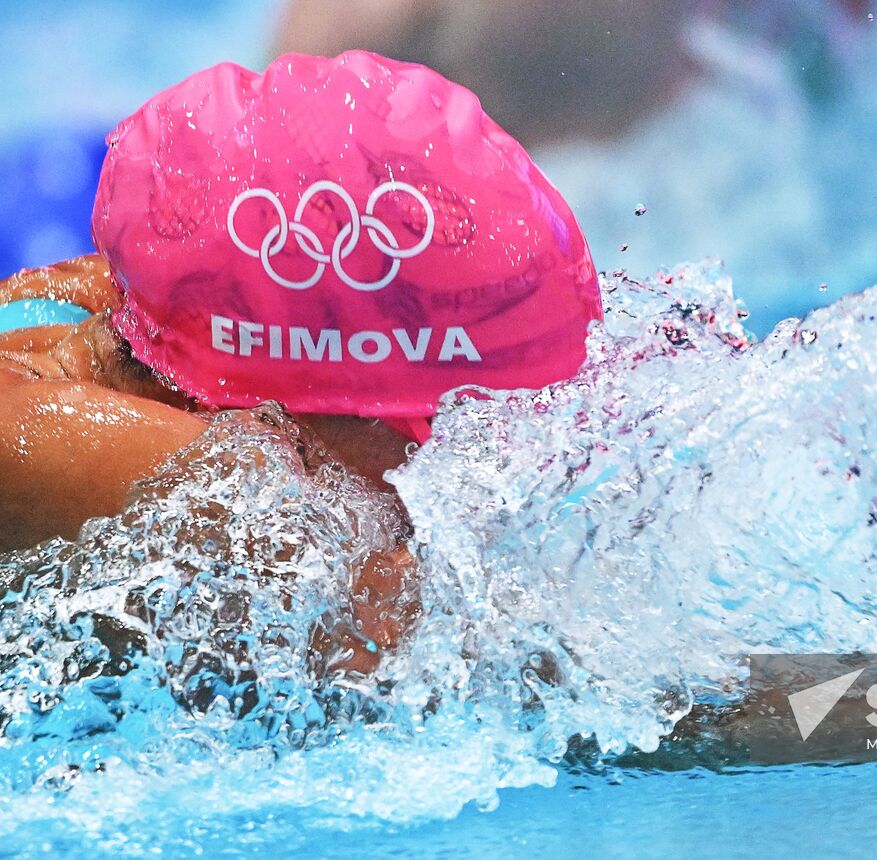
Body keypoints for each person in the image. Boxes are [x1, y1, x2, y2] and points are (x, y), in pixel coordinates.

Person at [0, 50, 603, 672]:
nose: (486, 482)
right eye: (443, 436)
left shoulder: (152, 315)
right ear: (267, 413)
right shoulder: (94, 458)